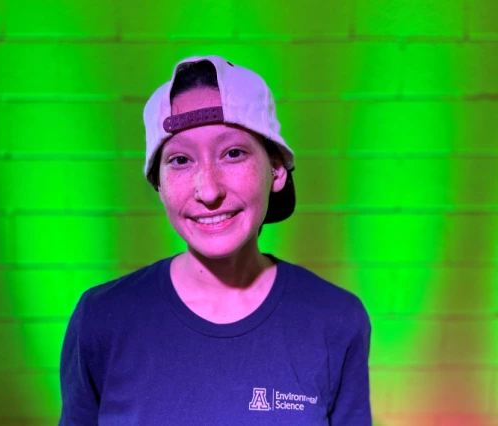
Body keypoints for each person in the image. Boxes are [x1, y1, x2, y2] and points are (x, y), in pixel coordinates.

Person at [59, 55, 372, 425]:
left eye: (233, 153)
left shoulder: (336, 319)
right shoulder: (101, 319)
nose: (208, 190)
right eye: (179, 160)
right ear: (158, 184)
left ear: (275, 170)